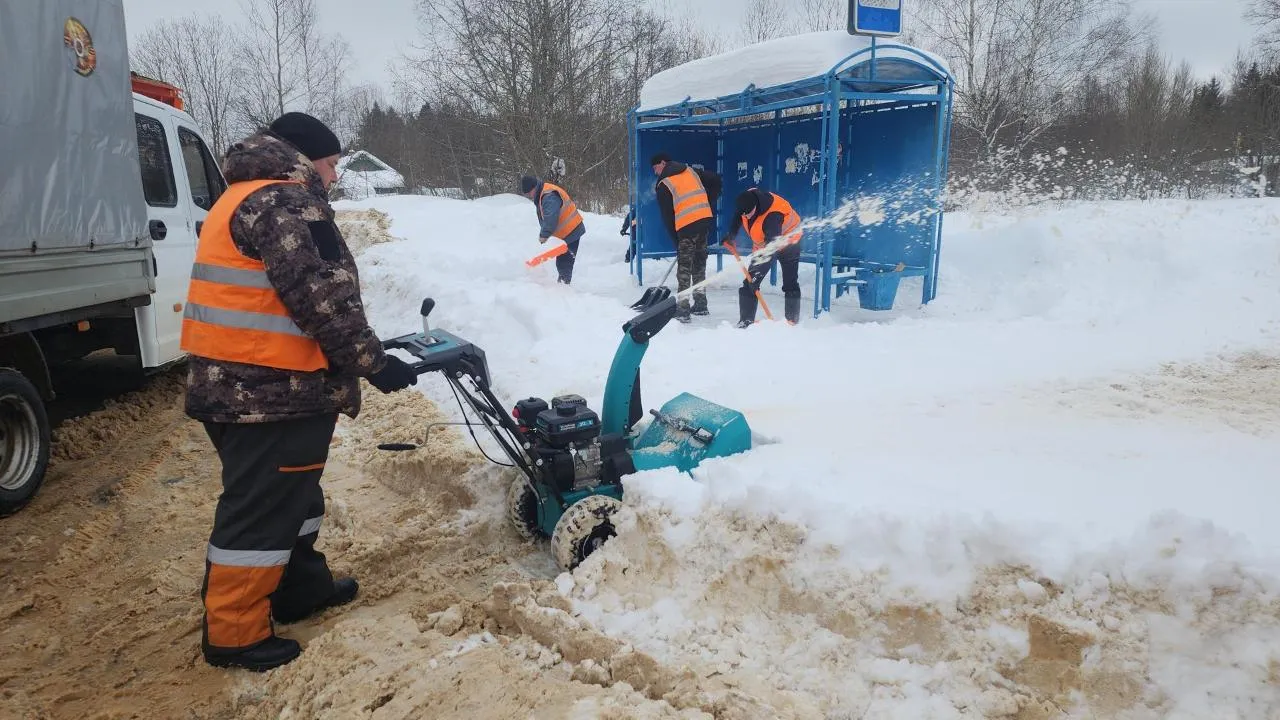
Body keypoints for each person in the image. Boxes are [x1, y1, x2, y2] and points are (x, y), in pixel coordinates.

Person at [180, 111, 418, 672]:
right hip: (271, 393)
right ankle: (235, 634)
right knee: (262, 509)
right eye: (333, 163)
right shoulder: (286, 202)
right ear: (307, 157)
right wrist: (372, 363)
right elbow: (320, 296)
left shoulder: (240, 195)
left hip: (241, 386)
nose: (334, 177)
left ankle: (298, 587)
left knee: (294, 497)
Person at [650, 153, 721, 322]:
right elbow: (715, 180)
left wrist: (677, 242)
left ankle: (683, 309)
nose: (655, 172)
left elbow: (668, 218)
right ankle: (701, 304)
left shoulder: (664, 184)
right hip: (704, 220)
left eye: (655, 168)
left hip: (687, 225)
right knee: (699, 263)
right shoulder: (690, 170)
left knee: (684, 268)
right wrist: (708, 204)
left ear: (663, 163)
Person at [724, 187, 804, 328]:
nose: (746, 217)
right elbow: (739, 215)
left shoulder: (772, 216)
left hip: (790, 241)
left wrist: (758, 274)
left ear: (755, 207)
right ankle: (745, 321)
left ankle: (792, 321)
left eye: (748, 214)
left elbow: (771, 249)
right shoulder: (747, 200)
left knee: (790, 282)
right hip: (766, 244)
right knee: (749, 282)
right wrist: (731, 235)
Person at [520, 175, 586, 284]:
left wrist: (544, 236)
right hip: (566, 232)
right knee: (562, 261)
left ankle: (564, 287)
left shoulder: (548, 196)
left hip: (572, 231)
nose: (529, 196)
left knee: (565, 262)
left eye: (529, 193)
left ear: (533, 188)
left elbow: (550, 219)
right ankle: (562, 284)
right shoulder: (542, 193)